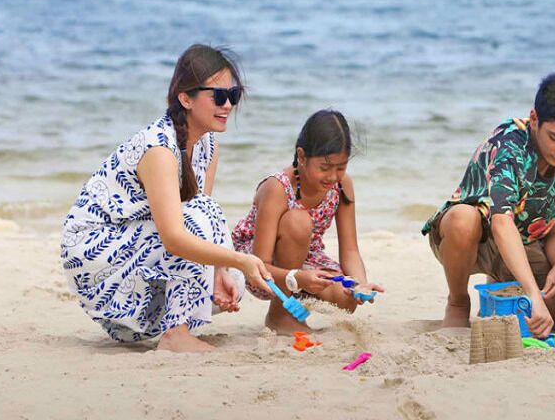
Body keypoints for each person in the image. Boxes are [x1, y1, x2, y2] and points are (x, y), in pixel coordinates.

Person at [61, 44, 272, 352]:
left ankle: (177, 324)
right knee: (213, 233)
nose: (228, 105)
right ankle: (176, 333)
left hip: (138, 245)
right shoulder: (159, 149)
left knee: (232, 282)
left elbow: (202, 220)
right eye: (218, 96)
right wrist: (239, 259)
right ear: (185, 98)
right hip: (96, 254)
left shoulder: (207, 143)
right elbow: (175, 237)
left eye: (234, 95)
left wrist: (218, 272)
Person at [422, 71, 555, 338]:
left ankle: (500, 292)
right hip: (471, 238)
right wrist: (534, 295)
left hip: (524, 245)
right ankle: (458, 302)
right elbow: (501, 223)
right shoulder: (508, 144)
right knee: (464, 220)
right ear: (534, 118)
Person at [232, 109, 384, 335]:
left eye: (341, 167)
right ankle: (280, 315)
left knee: (346, 299)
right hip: (261, 267)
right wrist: (296, 278)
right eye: (324, 167)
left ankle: (295, 298)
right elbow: (259, 264)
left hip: (306, 257)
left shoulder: (342, 186)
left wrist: (360, 283)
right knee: (298, 221)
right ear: (301, 157)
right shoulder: (277, 188)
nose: (333, 177)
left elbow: (350, 249)